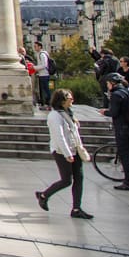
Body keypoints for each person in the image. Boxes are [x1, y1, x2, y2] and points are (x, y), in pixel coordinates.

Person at [36, 88, 94, 219]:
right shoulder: (54, 116)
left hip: (75, 150)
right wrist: (67, 154)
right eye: (69, 97)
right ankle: (44, 195)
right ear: (61, 100)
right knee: (66, 180)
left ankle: (76, 208)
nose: (72, 99)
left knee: (79, 178)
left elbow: (74, 132)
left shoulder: (68, 113)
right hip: (62, 151)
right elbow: (59, 136)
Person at [100, 72, 129, 190]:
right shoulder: (128, 92)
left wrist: (105, 112)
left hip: (122, 128)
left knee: (125, 155)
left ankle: (128, 182)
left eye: (108, 83)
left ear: (112, 83)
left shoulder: (116, 95)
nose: (107, 85)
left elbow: (114, 112)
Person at [33, 41, 52, 110]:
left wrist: (34, 67)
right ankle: (45, 103)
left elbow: (44, 65)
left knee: (45, 90)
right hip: (42, 74)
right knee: (43, 90)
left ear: (40, 47)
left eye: (35, 46)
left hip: (44, 74)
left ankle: (48, 104)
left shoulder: (42, 54)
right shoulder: (39, 54)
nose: (34, 48)